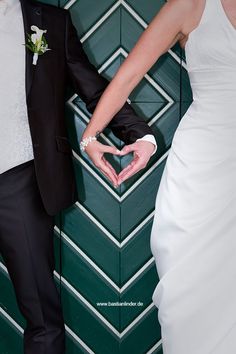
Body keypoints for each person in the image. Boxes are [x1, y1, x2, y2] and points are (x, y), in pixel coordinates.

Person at [0, 0, 157, 353]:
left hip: (21, 180)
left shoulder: (49, 21)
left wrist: (139, 135)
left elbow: (94, 88)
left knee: (42, 316)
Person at [81, 0, 236, 352]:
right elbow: (129, 76)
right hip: (202, 171)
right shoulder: (190, 5)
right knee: (190, 297)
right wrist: (90, 136)